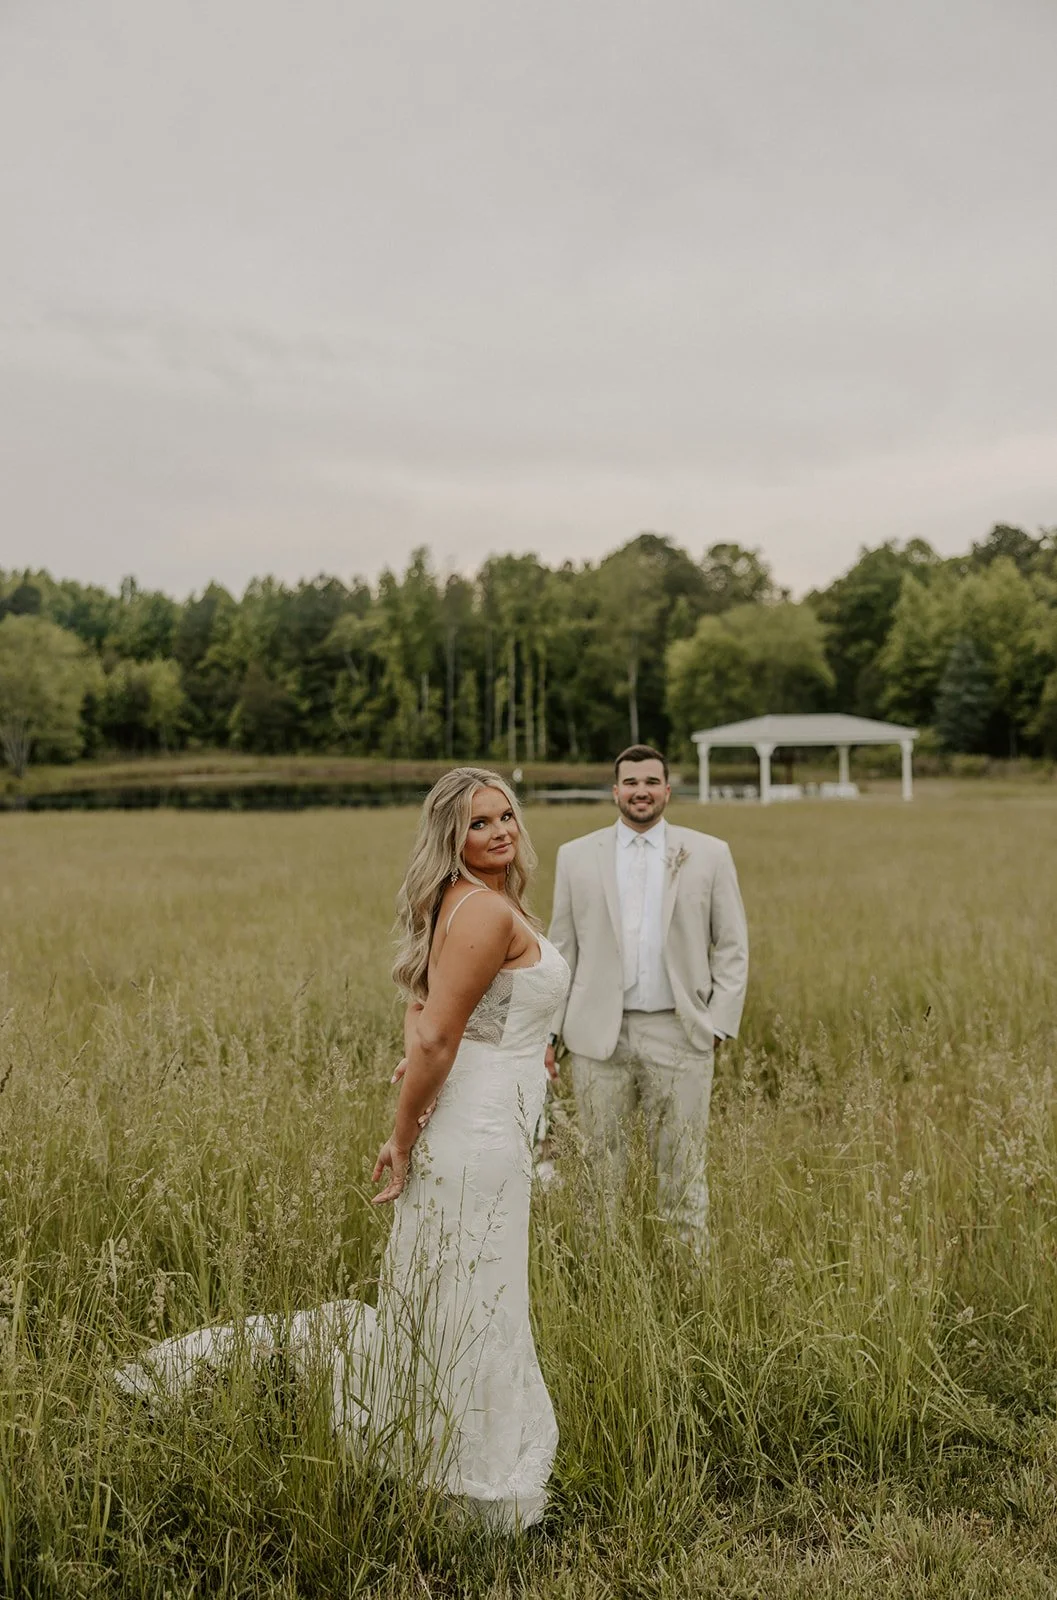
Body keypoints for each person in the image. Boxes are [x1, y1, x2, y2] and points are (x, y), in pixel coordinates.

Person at [116, 768, 569, 1530]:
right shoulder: (484, 910)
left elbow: (426, 1010)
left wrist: (522, 1049)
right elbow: (431, 1032)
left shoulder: (473, 903)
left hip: (493, 1113)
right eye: (478, 824)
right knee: (471, 1294)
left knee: (454, 1287)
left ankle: (433, 1437)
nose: (499, 832)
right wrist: (401, 1134)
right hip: (478, 1132)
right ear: (450, 838)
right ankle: (464, 1467)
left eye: (504, 817)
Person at [546, 744, 748, 1240]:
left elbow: (733, 945)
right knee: (600, 1168)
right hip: (597, 1037)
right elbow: (562, 950)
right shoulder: (575, 857)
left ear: (667, 791)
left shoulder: (709, 853)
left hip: (679, 1031)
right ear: (615, 791)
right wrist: (549, 1034)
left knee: (682, 1162)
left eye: (651, 782)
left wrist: (718, 1022)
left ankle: (688, 1277)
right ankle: (601, 1277)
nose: (641, 791)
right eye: (631, 782)